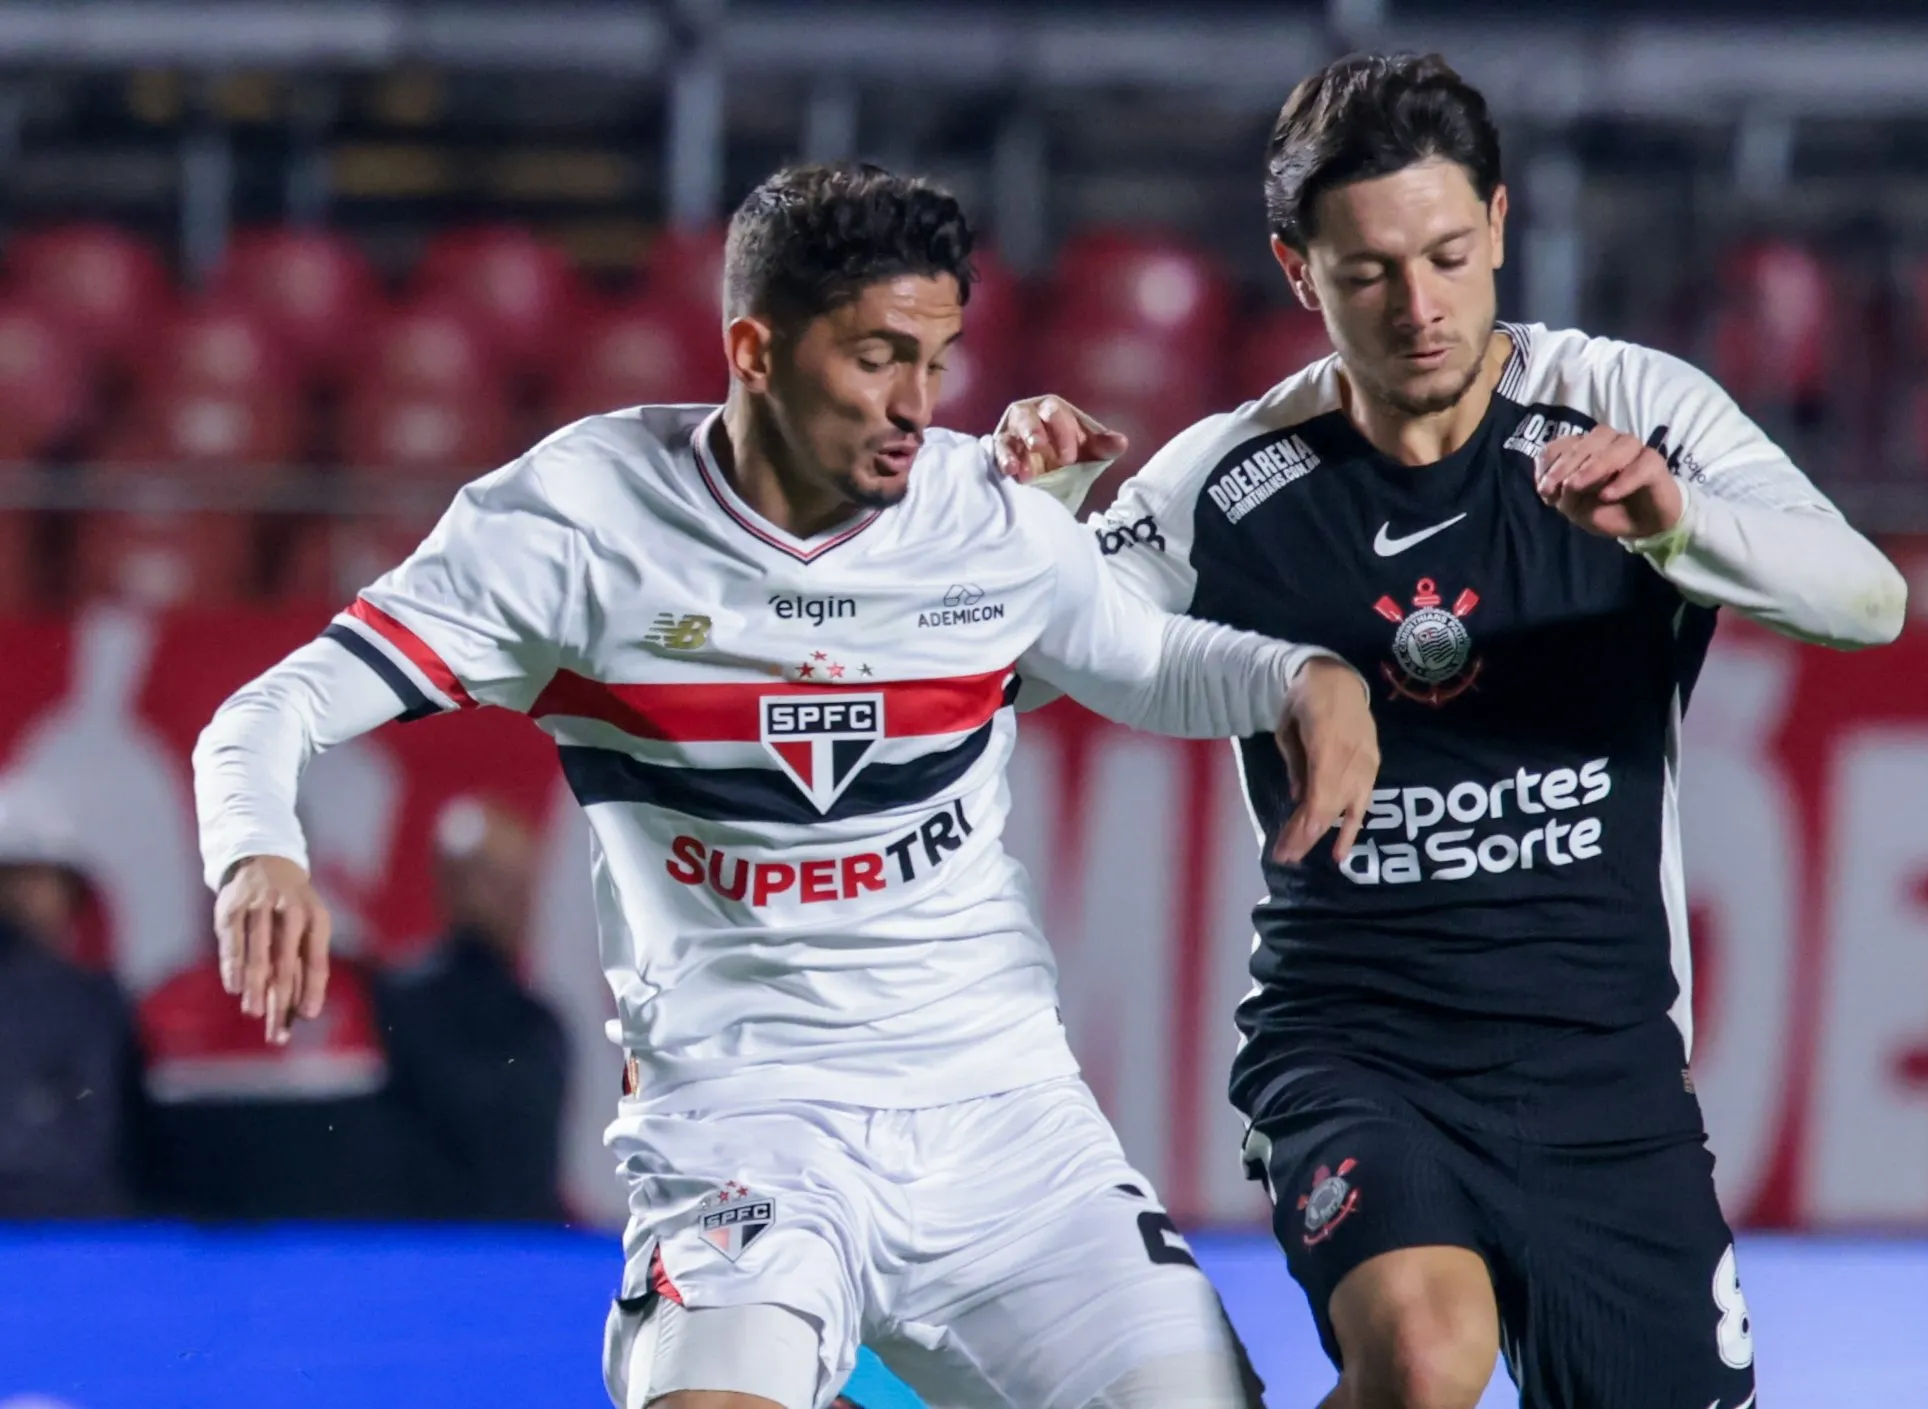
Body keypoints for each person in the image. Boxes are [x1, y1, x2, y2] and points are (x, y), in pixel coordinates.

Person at [192, 163, 1378, 1409]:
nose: (916, 407)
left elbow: (1143, 663)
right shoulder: (580, 524)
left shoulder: (985, 517)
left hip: (1007, 1124)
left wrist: (1299, 677)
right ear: (753, 346)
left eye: (937, 358)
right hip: (743, 1128)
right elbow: (268, 711)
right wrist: (258, 848)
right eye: (875, 358)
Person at [996, 53, 1905, 1409]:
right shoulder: (1230, 481)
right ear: (1297, 274)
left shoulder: (1630, 411)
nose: (1418, 307)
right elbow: (1003, 679)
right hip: (1352, 1043)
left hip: (1603, 1071)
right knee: (1427, 1362)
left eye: (1444, 254)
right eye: (1367, 272)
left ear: (1494, 223)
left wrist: (1678, 526)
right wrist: (1044, 529)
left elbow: (1866, 600)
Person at [375, 795, 570, 1223]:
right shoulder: (395, 1007)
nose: (518, 902)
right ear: (451, 884)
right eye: (497, 882)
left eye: (523, 884)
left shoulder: (540, 1024)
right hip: (429, 1257)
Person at [0, 783, 139, 1219]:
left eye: (41, 878)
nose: (26, 895)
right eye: (13, 878)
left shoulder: (98, 999)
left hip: (82, 1232)